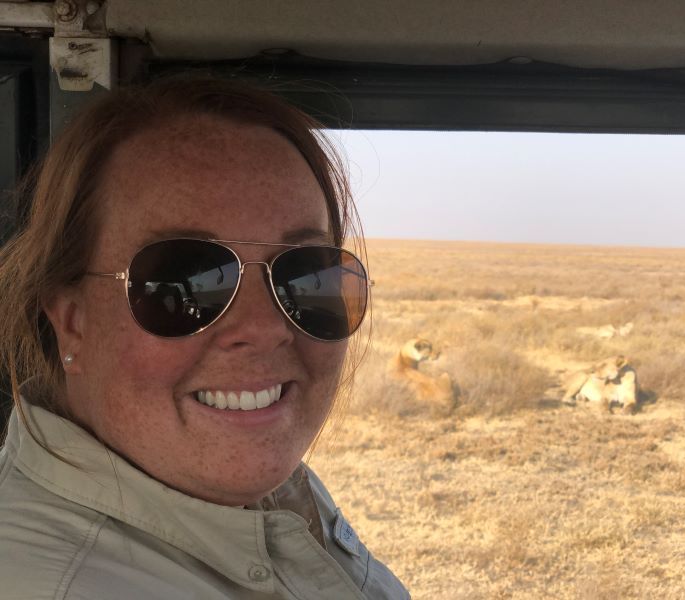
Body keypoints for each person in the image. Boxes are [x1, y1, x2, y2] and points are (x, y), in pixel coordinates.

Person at [0, 77, 409, 599]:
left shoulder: (257, 493)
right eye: (185, 282)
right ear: (72, 321)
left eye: (306, 276)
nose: (266, 329)